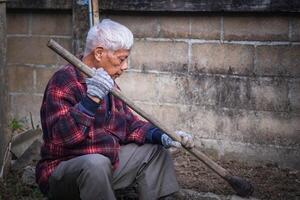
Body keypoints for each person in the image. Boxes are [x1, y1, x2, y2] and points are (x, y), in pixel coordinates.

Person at [36, 19, 194, 200]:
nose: (125, 66)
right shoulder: (64, 81)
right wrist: (91, 100)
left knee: (155, 152)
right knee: (95, 164)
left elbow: (129, 125)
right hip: (64, 172)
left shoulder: (108, 85)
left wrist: (163, 135)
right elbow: (61, 138)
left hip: (107, 165)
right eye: (121, 59)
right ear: (99, 53)